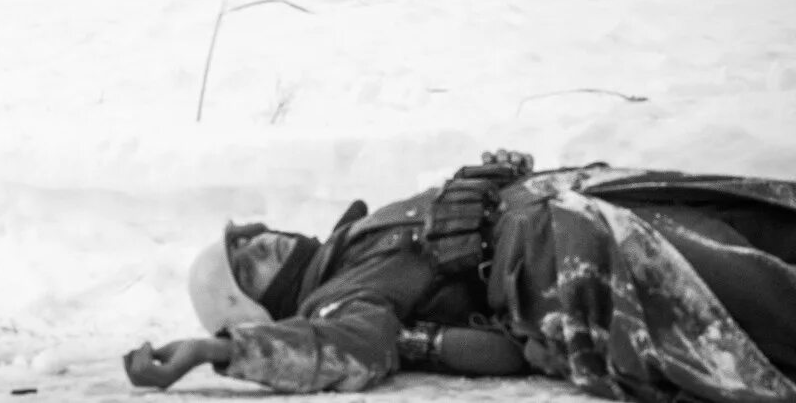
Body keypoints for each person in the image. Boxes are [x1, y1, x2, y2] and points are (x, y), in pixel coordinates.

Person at [125, 151, 796, 400]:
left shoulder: (351, 242)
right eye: (248, 260)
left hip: (583, 197)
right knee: (756, 292)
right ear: (253, 306)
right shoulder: (341, 300)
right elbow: (339, 353)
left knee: (762, 212)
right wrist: (217, 351)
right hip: (570, 255)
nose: (262, 239)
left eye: (249, 234)